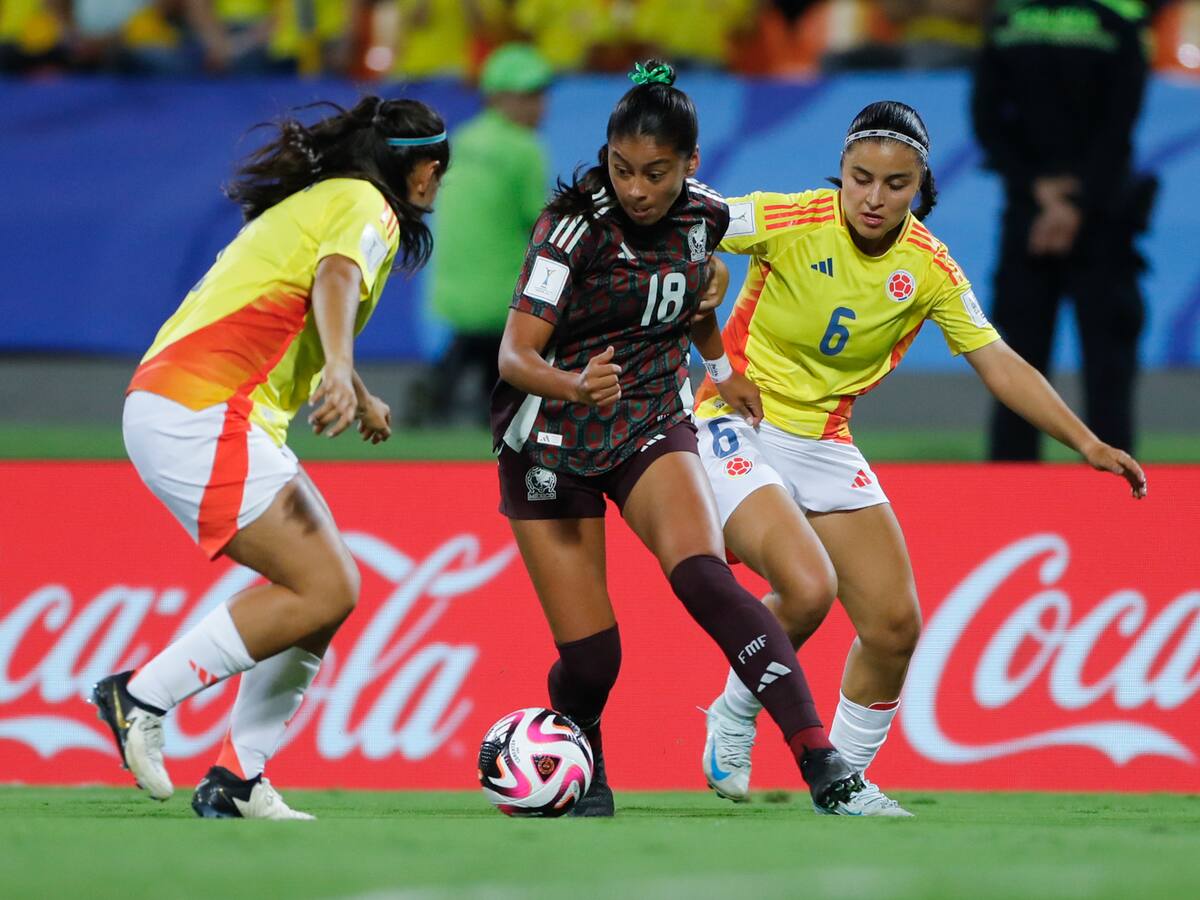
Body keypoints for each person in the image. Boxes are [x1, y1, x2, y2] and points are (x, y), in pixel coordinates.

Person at [694, 101, 1147, 815]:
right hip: (737, 422)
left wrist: (1086, 441)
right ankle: (735, 712)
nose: (874, 197)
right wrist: (702, 280)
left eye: (895, 183)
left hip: (824, 441)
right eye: (861, 178)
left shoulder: (929, 268)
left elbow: (997, 361)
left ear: (921, 185)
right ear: (841, 171)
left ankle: (844, 783)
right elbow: (696, 212)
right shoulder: (791, 218)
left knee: (894, 626)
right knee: (806, 589)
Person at [492, 59, 864, 818]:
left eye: (655, 173)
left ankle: (822, 761)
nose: (636, 188)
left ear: (690, 164)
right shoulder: (570, 230)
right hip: (551, 444)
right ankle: (582, 752)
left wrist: (722, 369)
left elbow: (689, 298)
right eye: (621, 168)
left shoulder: (705, 217)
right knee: (594, 660)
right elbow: (514, 356)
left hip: (649, 422)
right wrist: (574, 384)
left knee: (705, 579)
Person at [90, 96, 449, 820]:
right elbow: (336, 278)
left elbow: (295, 306)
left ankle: (238, 779)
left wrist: (354, 386)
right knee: (324, 586)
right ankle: (140, 696)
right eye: (437, 170)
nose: (437, 184)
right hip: (203, 409)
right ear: (420, 170)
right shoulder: (366, 206)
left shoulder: (325, 199)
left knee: (326, 592)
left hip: (188, 404)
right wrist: (339, 367)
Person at [972, 0, 1154, 461]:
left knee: (1014, 360)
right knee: (1108, 365)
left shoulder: (1008, 22)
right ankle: (1117, 484)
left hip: (1029, 216)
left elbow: (987, 121)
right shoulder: (1117, 22)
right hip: (1102, 217)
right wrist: (1077, 202)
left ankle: (1010, 489)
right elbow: (1120, 123)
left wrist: (1038, 190)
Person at [428, 42, 552, 424]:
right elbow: (542, 226)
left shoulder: (462, 139)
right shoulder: (523, 149)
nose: (538, 106)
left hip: (451, 291)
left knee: (479, 355)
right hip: (504, 296)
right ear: (497, 97)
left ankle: (442, 394)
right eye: (527, 96)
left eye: (540, 95)